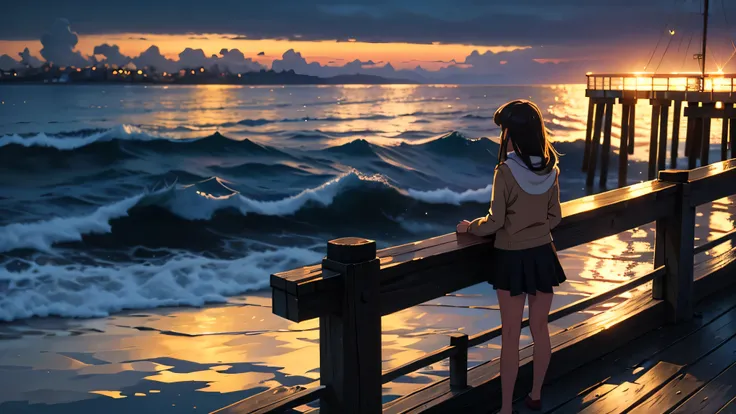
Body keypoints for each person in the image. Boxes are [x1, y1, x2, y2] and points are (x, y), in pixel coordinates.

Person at [456, 99, 566, 414]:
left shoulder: (505, 171)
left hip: (512, 258)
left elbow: (495, 222)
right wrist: (535, 228)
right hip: (543, 254)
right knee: (541, 329)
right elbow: (555, 216)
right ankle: (535, 395)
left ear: (512, 135)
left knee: (510, 335)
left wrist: (470, 227)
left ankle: (506, 408)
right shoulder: (551, 169)